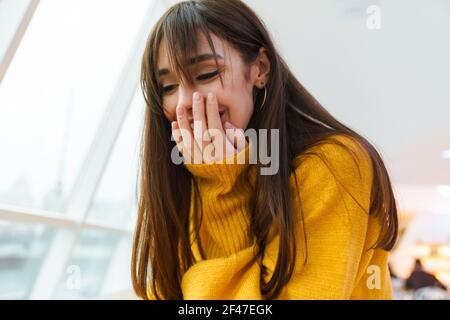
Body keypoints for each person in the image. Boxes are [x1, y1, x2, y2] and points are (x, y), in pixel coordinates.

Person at [132, 0, 398, 300]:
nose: (184, 103)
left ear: (260, 68)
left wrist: (222, 186)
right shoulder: (185, 175)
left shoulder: (335, 164)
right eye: (167, 87)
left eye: (206, 74)